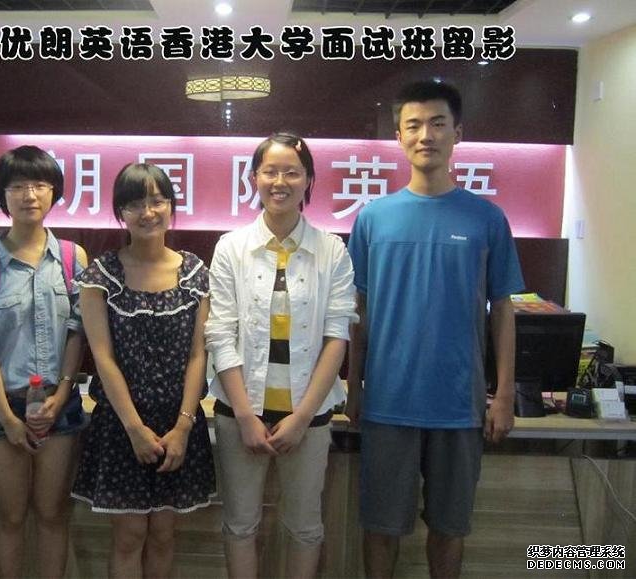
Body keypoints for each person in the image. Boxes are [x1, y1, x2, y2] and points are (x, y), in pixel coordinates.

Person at [347, 80, 525, 578]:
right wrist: (353, 386)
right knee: (381, 527)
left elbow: (502, 310)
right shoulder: (373, 219)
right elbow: (357, 311)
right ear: (399, 137)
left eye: (437, 123)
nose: (425, 135)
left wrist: (504, 394)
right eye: (414, 125)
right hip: (388, 403)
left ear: (457, 134)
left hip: (459, 405)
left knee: (450, 528)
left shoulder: (487, 218)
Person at [205, 132, 358, 579]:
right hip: (240, 411)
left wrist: (302, 416)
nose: (280, 181)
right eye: (270, 171)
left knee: (306, 526)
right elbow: (220, 333)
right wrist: (246, 416)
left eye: (292, 172)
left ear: (308, 180)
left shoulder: (332, 250)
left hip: (309, 415)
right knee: (240, 524)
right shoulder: (231, 247)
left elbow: (336, 337)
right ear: (254, 177)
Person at [72, 163, 215, 578]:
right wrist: (134, 429)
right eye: (135, 204)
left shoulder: (195, 271)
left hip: (178, 423)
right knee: (129, 535)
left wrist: (184, 427)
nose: (148, 212)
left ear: (171, 206)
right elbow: (103, 358)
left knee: (165, 535)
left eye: (157, 201)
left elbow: (198, 355)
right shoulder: (101, 275)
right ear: (120, 212)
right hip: (122, 425)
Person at [0, 145, 88, 578]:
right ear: (2, 195)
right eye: (17, 187)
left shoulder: (72, 258)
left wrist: (62, 395)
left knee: (52, 514)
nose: (30, 195)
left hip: (58, 405)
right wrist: (8, 418)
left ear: (54, 193)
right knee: (11, 517)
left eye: (40, 185)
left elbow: (78, 331)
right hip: (0, 409)